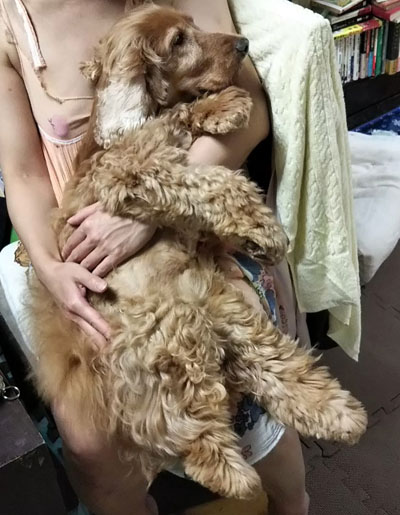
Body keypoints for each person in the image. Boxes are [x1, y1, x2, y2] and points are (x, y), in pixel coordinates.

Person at [0, 0, 309, 514]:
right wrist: (52, 268)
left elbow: (250, 109)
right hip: (83, 238)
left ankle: (292, 500)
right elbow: (24, 174)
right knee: (87, 437)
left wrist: (149, 209)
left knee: (240, 364)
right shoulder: (10, 22)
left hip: (197, 216)